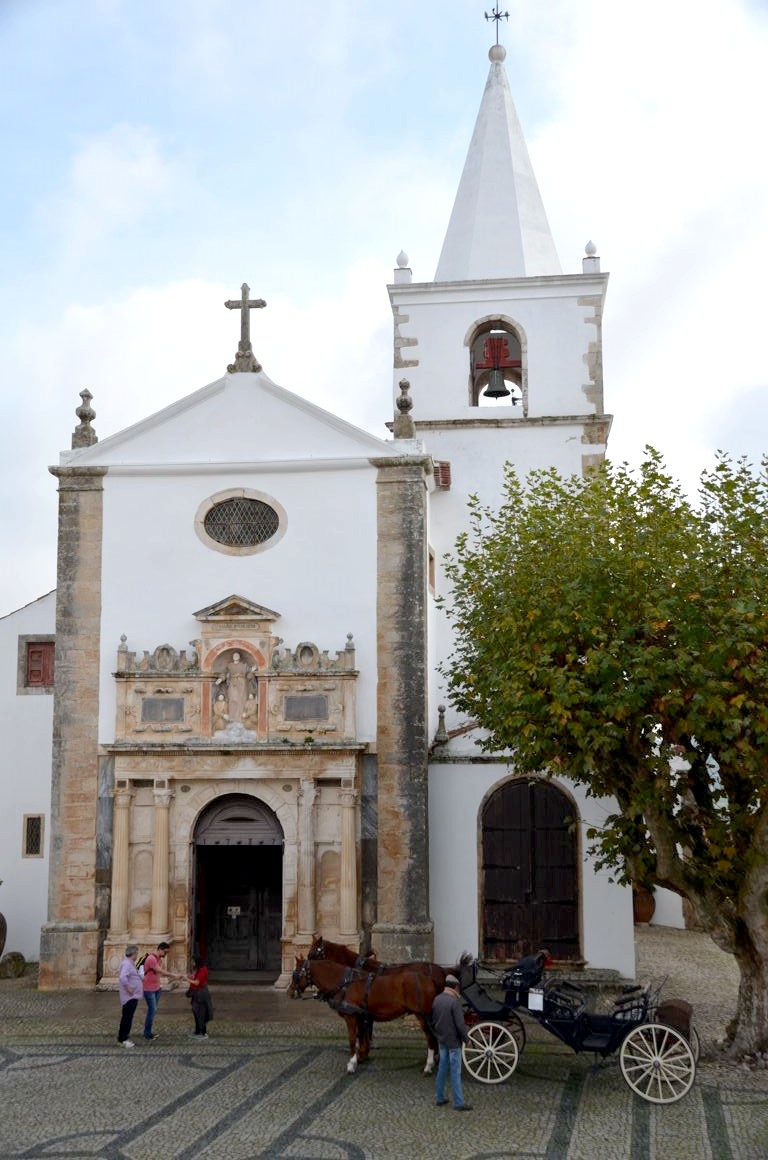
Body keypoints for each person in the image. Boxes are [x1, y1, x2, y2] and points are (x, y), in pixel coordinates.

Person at [431, 974, 472, 1111]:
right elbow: (460, 1025)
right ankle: (459, 1103)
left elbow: (433, 1020)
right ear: (455, 987)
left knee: (442, 1069)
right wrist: (467, 1039)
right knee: (455, 1072)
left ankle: (439, 1097)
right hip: (454, 1042)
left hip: (442, 1040)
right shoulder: (454, 1002)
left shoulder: (437, 999)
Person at [142, 941, 178, 1041]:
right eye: (165, 952)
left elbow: (158, 974)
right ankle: (147, 1033)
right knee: (152, 1010)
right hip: (149, 989)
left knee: (153, 1010)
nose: (166, 955)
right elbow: (160, 971)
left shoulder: (159, 960)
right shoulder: (151, 959)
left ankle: (148, 1032)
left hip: (156, 988)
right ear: (160, 949)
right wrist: (173, 975)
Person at [117, 944, 143, 1048]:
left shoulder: (129, 963)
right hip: (129, 997)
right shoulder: (127, 964)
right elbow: (123, 977)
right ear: (133, 953)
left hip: (132, 996)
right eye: (137, 953)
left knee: (128, 1017)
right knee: (127, 1018)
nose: (137, 955)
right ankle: (123, 1039)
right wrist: (128, 988)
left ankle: (124, 1037)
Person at [185, 955, 213, 1039]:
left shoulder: (203, 970)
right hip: (196, 993)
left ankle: (203, 1033)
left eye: (193, 961)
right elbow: (194, 977)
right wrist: (187, 976)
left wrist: (186, 979)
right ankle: (197, 1031)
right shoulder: (198, 969)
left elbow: (197, 982)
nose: (192, 963)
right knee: (196, 1012)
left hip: (201, 994)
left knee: (201, 1013)